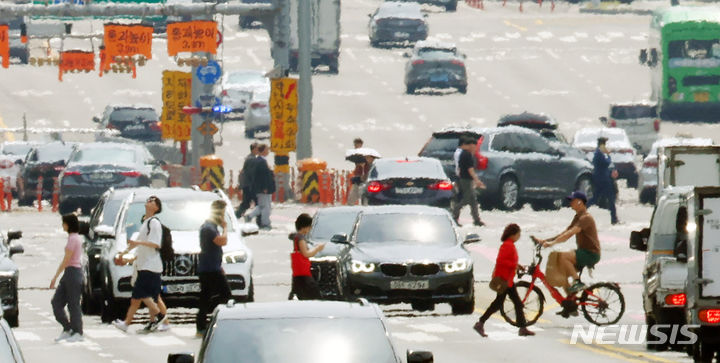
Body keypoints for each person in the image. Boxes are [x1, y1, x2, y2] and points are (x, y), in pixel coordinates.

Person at [534, 191, 601, 317]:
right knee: (562, 271)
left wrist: (552, 244)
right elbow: (565, 232)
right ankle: (570, 305)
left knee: (563, 256)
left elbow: (569, 234)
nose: (570, 203)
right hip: (583, 252)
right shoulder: (577, 217)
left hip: (590, 253)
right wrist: (546, 240)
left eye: (573, 200)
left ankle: (577, 282)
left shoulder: (585, 218)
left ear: (580, 202)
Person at [113, 196, 166, 333]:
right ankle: (151, 321)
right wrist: (123, 254)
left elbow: (155, 244)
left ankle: (159, 316)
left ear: (156, 208)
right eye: (149, 200)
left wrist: (137, 244)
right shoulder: (146, 222)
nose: (149, 202)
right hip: (143, 264)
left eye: (153, 201)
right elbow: (136, 244)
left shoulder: (154, 223)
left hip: (150, 265)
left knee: (141, 294)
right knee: (141, 298)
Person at [473, 223, 534, 337]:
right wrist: (514, 265)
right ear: (513, 234)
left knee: (514, 304)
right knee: (501, 304)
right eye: (518, 234)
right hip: (504, 280)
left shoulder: (509, 244)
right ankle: (480, 323)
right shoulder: (508, 245)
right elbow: (501, 261)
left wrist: (517, 265)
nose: (519, 237)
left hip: (508, 280)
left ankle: (522, 327)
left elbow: (508, 260)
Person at [196, 200, 232, 337]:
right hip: (210, 269)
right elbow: (222, 241)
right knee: (227, 296)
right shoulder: (209, 228)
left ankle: (202, 325)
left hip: (211, 266)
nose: (223, 217)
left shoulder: (210, 226)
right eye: (222, 213)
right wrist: (225, 228)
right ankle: (224, 322)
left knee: (206, 298)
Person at [50, 213, 85, 342]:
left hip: (73, 272)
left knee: (73, 304)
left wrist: (55, 276)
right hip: (69, 273)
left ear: (68, 224)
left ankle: (78, 331)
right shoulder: (72, 238)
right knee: (56, 302)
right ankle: (68, 328)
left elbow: (67, 259)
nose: (62, 225)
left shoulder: (73, 239)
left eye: (64, 223)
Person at [289, 213, 325, 300]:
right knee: (314, 292)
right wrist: (317, 249)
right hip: (303, 271)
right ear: (304, 226)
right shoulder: (301, 238)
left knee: (297, 290)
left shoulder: (296, 237)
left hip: (297, 271)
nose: (310, 229)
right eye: (309, 226)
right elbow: (306, 254)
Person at [451, 136, 486, 227]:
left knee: (473, 201)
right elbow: (470, 170)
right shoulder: (466, 155)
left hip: (466, 179)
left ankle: (476, 220)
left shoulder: (464, 154)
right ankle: (453, 216)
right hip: (466, 180)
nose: (476, 149)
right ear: (470, 145)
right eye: (475, 147)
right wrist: (477, 181)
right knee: (466, 200)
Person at [587, 137, 619, 225]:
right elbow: (606, 163)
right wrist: (608, 155)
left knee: (596, 198)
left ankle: (614, 218)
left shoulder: (599, 153)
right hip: (603, 180)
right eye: (604, 144)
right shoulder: (599, 154)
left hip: (602, 179)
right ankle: (614, 219)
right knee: (609, 198)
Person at [246, 144, 275, 230]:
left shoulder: (261, 160)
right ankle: (265, 223)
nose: (268, 151)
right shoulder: (260, 161)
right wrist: (264, 187)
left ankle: (250, 217)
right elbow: (262, 176)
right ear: (262, 151)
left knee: (264, 206)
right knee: (265, 206)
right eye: (267, 150)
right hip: (263, 189)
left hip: (264, 188)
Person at [235, 142, 259, 218]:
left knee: (247, 202)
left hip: (247, 185)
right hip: (249, 185)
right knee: (255, 202)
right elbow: (250, 173)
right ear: (254, 149)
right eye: (257, 148)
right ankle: (237, 215)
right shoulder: (251, 159)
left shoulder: (250, 158)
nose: (258, 150)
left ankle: (236, 215)